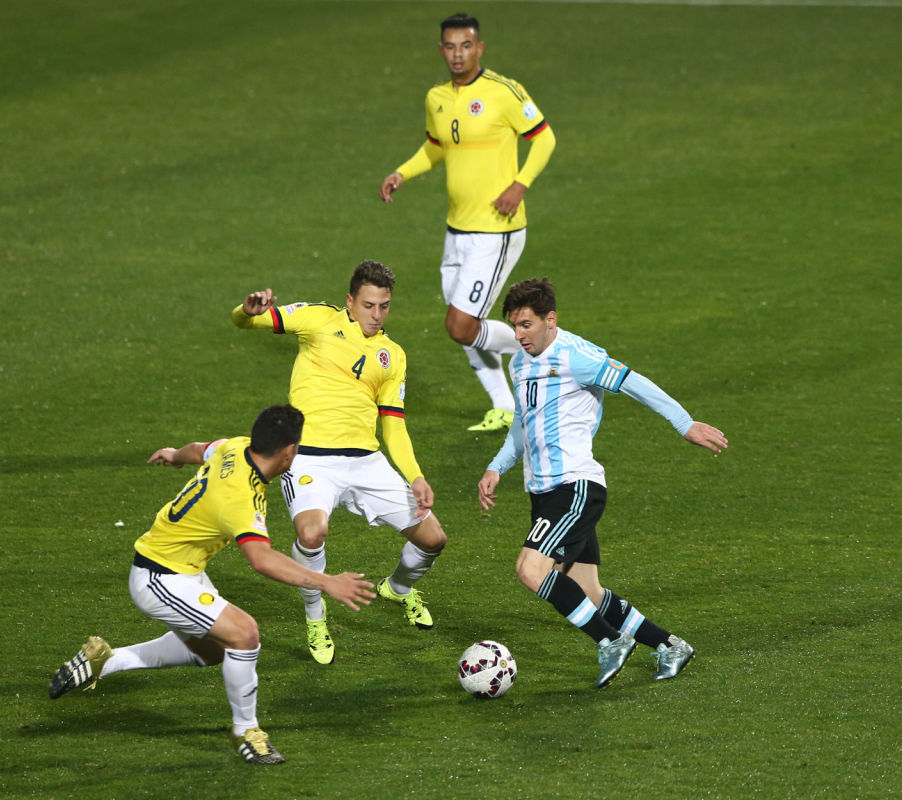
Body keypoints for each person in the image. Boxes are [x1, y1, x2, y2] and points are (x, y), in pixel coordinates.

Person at [48, 405, 375, 765]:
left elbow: (199, 448)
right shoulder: (241, 498)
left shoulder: (235, 447)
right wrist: (326, 582)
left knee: (213, 651)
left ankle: (105, 662)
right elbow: (261, 559)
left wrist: (174, 455)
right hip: (160, 579)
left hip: (177, 568)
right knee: (245, 634)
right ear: (288, 453)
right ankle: (246, 732)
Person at [476, 279, 729, 688]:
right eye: (514, 326)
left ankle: (610, 641)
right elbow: (523, 425)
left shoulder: (578, 356)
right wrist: (496, 467)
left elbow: (635, 382)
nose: (519, 335)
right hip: (543, 494)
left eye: (526, 325)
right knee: (588, 592)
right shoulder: (519, 364)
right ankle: (669, 645)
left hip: (575, 487)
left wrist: (684, 423)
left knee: (530, 569)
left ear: (550, 320)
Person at [232, 260, 446, 667]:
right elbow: (247, 323)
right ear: (350, 301)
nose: (376, 315)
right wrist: (248, 310)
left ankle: (398, 588)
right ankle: (316, 618)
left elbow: (394, 426)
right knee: (312, 534)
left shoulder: (392, 355)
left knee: (433, 540)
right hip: (311, 458)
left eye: (384, 306)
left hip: (367, 461)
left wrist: (415, 476)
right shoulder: (317, 321)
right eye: (368, 305)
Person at [379, 12, 557, 433]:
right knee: (466, 325)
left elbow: (544, 137)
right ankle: (505, 405)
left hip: (496, 229)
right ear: (442, 50)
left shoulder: (503, 91)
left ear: (479, 48)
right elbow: (435, 147)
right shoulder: (437, 97)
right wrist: (402, 172)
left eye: (466, 45)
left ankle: (543, 345)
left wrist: (520, 184)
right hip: (456, 229)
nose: (458, 54)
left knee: (461, 326)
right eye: (450, 47)